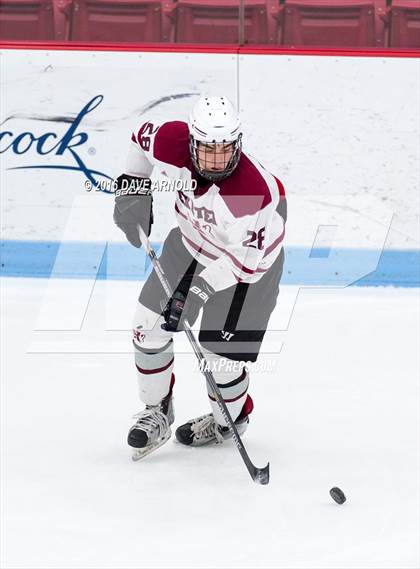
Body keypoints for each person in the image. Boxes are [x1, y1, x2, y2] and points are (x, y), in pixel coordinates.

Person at [113, 96, 287, 460]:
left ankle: (230, 422)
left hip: (247, 275)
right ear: (191, 142)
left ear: (238, 144)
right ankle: (156, 410)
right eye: (207, 150)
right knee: (148, 326)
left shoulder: (251, 193)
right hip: (190, 246)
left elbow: (244, 263)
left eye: (225, 150)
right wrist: (133, 188)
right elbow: (138, 140)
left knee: (218, 362)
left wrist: (197, 293)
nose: (216, 160)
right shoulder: (171, 141)